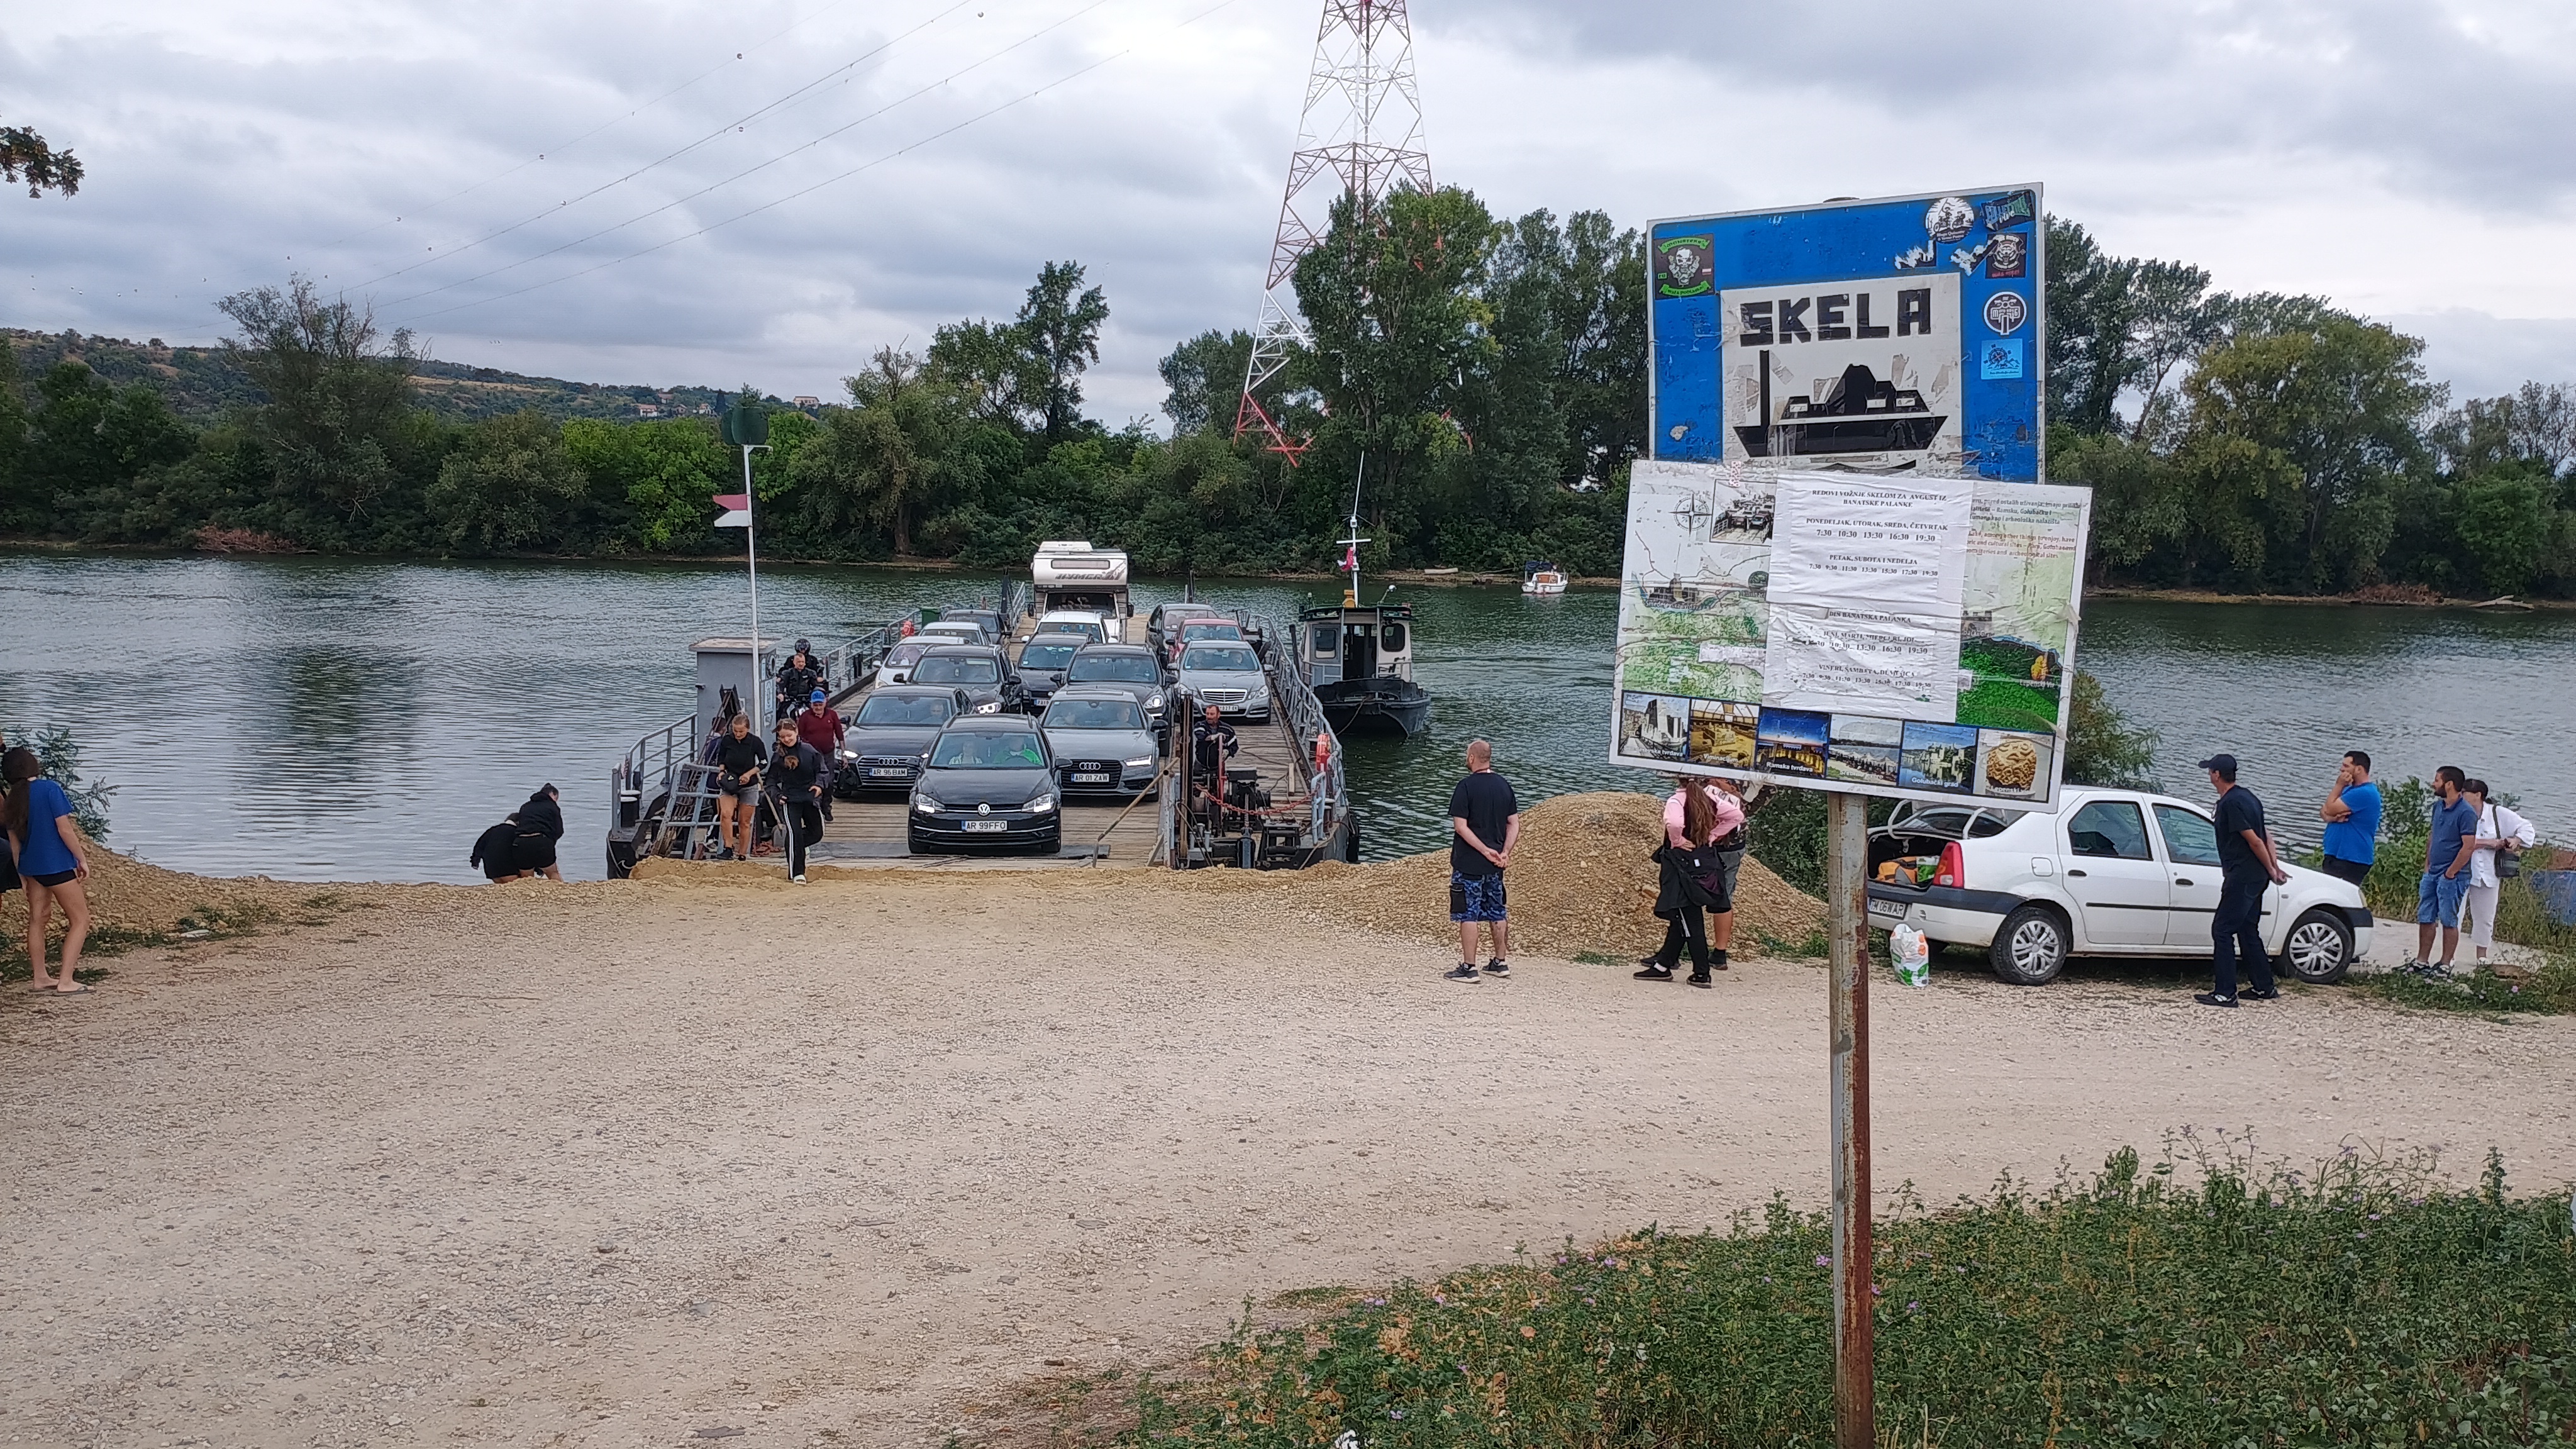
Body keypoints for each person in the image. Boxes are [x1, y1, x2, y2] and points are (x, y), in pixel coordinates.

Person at [2195, 753, 2287, 1008]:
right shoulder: (2249, 798)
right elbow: (2267, 835)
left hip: (2243, 876)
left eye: (2210, 771)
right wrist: (2273, 867)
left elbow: (2255, 841)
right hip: (2255, 877)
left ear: (2216, 775)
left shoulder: (2231, 804)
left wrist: (2272, 869)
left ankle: (2225, 992)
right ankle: (2264, 987)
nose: (2209, 775)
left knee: (2222, 930)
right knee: (2247, 928)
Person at [1637, 774, 1746, 986]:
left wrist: (1677, 840)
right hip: (1703, 862)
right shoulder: (1709, 799)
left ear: (1678, 781)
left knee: (1689, 920)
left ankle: (1702, 973)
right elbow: (1736, 816)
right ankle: (1662, 966)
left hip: (1681, 865)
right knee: (1683, 917)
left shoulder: (1676, 801)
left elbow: (1674, 822)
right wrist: (1712, 836)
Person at [3, 745, 94, 996]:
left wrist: (22, 873)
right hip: (56, 866)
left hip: (32, 868)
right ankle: (66, 981)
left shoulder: (12, 800)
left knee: (38, 919)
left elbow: (14, 843)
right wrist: (81, 859)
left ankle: (40, 977)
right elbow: (64, 829)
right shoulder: (50, 789)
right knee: (80, 920)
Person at [1445, 739, 1520, 982]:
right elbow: (1514, 823)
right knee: (1497, 910)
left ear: (1472, 758)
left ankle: (1469, 967)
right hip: (1496, 865)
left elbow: (1461, 827)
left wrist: (1484, 850)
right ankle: (1500, 962)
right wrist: (1505, 851)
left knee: (1468, 912)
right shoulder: (1504, 786)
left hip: (1469, 863)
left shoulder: (1465, 787)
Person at [2458, 779, 2536, 970]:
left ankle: (2482, 957)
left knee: (2485, 916)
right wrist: (2489, 843)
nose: (2461, 795)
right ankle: (2449, 956)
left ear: (2478, 795)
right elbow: (2457, 841)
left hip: (2488, 871)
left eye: (2465, 792)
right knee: (2455, 914)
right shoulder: (2458, 811)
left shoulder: (2497, 813)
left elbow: (2527, 827)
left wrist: (2516, 840)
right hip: (2460, 868)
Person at [2412, 765, 2479, 975]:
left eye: (2437, 780)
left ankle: (2445, 964)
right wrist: (2428, 864)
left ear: (2449, 784)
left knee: (2449, 919)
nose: (2434, 784)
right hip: (2432, 872)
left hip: (2453, 876)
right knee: (2426, 916)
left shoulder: (2466, 812)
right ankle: (2421, 961)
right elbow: (2433, 835)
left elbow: (2468, 846)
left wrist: (2451, 873)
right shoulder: (2438, 807)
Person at [769, 718, 826, 883]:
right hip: (790, 799)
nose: (786, 739)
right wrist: (777, 795)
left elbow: (823, 771)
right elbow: (770, 781)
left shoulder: (809, 751)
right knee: (794, 833)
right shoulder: (778, 756)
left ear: (796, 732)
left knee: (817, 833)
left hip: (809, 797)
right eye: (782, 737)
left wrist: (819, 785)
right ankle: (797, 873)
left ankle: (797, 847)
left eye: (789, 735)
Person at [2316, 749, 2381, 886]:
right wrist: (2331, 818)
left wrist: (2339, 785)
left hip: (2351, 858)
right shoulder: (2349, 790)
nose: (2341, 769)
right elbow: (2325, 809)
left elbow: (2330, 808)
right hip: (2336, 854)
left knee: (2336, 895)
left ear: (2359, 769)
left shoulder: (2365, 793)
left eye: (2346, 766)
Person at [714, 713, 767, 861]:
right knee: (726, 814)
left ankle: (743, 853)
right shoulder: (727, 740)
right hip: (730, 782)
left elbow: (763, 762)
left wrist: (749, 774)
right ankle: (728, 848)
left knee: (744, 821)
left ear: (747, 729)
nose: (738, 734)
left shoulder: (755, 742)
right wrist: (721, 771)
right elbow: (721, 757)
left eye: (741, 731)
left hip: (749, 784)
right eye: (735, 731)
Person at [794, 688, 844, 819]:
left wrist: (844, 755)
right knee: (814, 781)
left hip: (828, 753)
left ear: (825, 703)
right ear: (811, 704)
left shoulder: (832, 715)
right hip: (812, 755)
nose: (818, 707)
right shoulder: (805, 717)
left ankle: (827, 807)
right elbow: (798, 736)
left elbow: (840, 735)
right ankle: (815, 808)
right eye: (815, 704)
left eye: (820, 704)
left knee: (829, 781)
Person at [1189, 703, 1237, 827]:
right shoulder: (1200, 726)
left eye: (1212, 714)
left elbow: (1234, 745)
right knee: (1192, 792)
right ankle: (1191, 819)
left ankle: (1216, 824)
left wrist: (1227, 752)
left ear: (1218, 715)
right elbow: (1201, 736)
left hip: (1216, 769)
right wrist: (1214, 737)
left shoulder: (1228, 730)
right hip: (1200, 766)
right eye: (1208, 714)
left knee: (1215, 797)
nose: (1209, 716)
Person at [775, 640, 825, 722]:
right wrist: (780, 693)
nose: (801, 664)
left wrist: (821, 689)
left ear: (805, 663)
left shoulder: (811, 672)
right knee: (781, 713)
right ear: (794, 662)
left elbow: (816, 685)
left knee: (819, 713)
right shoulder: (788, 673)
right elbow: (781, 684)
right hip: (791, 699)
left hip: (806, 699)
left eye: (802, 662)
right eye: (799, 662)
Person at [470, 813, 522, 883]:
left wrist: (475, 863)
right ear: (519, 823)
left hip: (492, 872)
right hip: (510, 871)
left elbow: (479, 847)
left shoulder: (491, 831)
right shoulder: (517, 832)